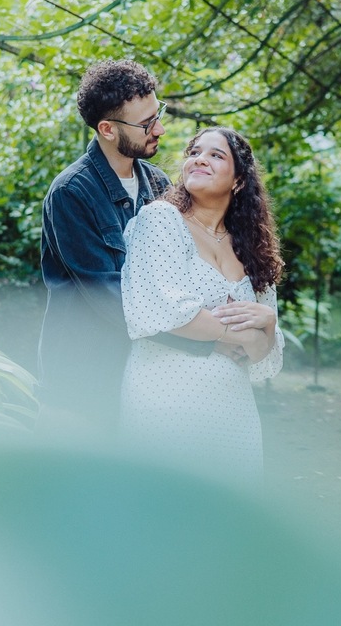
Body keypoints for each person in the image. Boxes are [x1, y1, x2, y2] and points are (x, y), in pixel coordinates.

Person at [39, 59, 214, 432]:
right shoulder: (71, 193)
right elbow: (109, 296)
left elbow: (183, 272)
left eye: (158, 115)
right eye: (147, 124)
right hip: (85, 380)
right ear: (107, 129)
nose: (160, 129)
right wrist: (204, 339)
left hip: (145, 371)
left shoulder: (159, 184)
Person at [119, 126, 285, 486]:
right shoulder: (161, 220)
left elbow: (261, 355)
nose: (200, 159)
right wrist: (242, 334)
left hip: (233, 410)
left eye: (216, 155)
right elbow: (166, 313)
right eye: (194, 152)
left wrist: (269, 324)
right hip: (166, 401)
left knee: (229, 513)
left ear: (239, 181)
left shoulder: (250, 248)